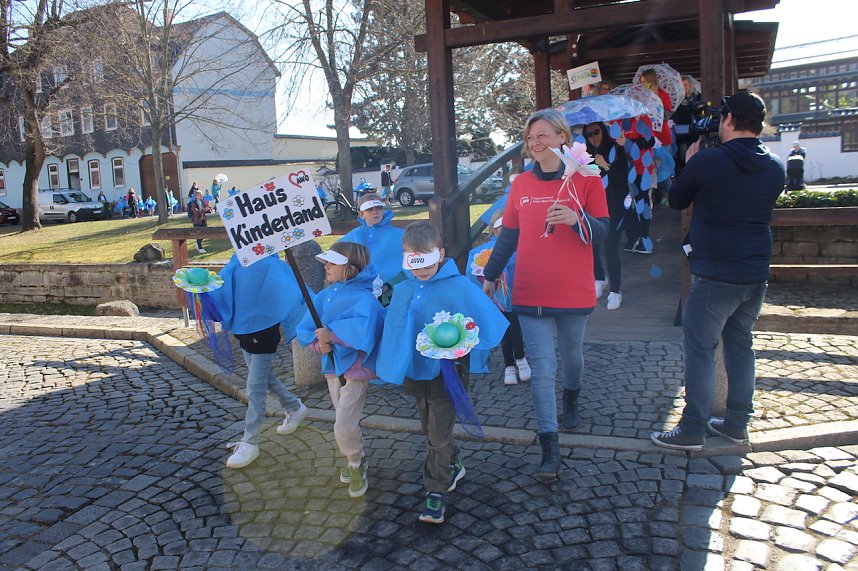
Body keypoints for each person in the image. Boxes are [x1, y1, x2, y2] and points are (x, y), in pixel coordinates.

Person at [651, 91, 785, 451]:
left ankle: (693, 427)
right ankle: (737, 423)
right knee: (741, 347)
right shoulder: (776, 165)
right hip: (755, 272)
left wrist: (688, 163)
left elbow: (677, 199)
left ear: (727, 120)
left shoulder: (708, 161)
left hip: (714, 274)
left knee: (700, 350)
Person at [482, 109, 609, 481]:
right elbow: (508, 234)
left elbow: (603, 229)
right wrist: (490, 276)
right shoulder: (521, 183)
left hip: (573, 288)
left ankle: (572, 397)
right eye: (530, 138)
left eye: (542, 136)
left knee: (571, 358)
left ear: (562, 137)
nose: (535, 144)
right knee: (541, 370)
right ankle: (549, 448)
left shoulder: (586, 180)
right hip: (530, 288)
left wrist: (576, 220)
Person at [375, 221, 508, 524]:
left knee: (436, 433)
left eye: (425, 259)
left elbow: (482, 318)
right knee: (429, 424)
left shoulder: (458, 286)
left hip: (448, 372)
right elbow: (395, 325)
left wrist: (465, 339)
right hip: (416, 371)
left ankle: (436, 491)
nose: (420, 268)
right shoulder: (404, 287)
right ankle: (453, 460)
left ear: (441, 254)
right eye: (413, 260)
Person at [296, 242, 385, 499]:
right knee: (344, 418)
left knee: (343, 423)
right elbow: (309, 329)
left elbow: (365, 329)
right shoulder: (324, 296)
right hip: (332, 367)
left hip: (355, 369)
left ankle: (355, 463)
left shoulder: (364, 298)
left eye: (333, 263)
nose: (326, 267)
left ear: (350, 269)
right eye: (327, 262)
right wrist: (318, 344)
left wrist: (334, 335)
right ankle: (357, 457)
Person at [208, 253, 309, 468]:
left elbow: (291, 289)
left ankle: (250, 441)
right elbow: (220, 286)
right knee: (266, 379)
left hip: (263, 335)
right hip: (244, 333)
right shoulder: (237, 260)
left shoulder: (270, 264)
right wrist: (200, 288)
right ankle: (294, 406)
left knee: (255, 388)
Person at [467, 210, 531, 385]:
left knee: (514, 326)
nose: (505, 230)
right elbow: (474, 274)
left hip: (517, 296)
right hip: (496, 299)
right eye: (500, 227)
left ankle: (519, 358)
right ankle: (510, 365)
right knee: (504, 330)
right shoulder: (482, 252)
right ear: (494, 230)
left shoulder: (524, 247)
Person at [585, 121, 629, 311]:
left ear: (603, 130)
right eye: (589, 134)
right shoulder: (584, 154)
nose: (593, 137)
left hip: (614, 207)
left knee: (611, 247)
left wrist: (606, 165)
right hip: (592, 207)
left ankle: (616, 291)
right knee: (592, 246)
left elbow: (624, 182)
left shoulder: (616, 148)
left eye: (596, 132)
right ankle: (599, 278)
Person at [339, 193, 405, 293]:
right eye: (370, 209)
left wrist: (389, 285)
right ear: (361, 214)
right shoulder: (353, 236)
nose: (375, 212)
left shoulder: (400, 235)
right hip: (357, 289)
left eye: (378, 208)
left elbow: (408, 267)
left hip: (391, 289)